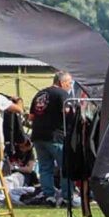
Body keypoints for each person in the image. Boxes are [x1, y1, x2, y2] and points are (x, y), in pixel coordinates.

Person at [29, 71, 73, 205]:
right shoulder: (62, 94)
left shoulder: (40, 94)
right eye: (69, 83)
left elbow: (31, 116)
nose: (70, 86)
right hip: (55, 136)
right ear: (62, 82)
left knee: (45, 168)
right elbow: (67, 113)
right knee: (65, 167)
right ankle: (67, 197)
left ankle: (49, 196)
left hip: (38, 136)